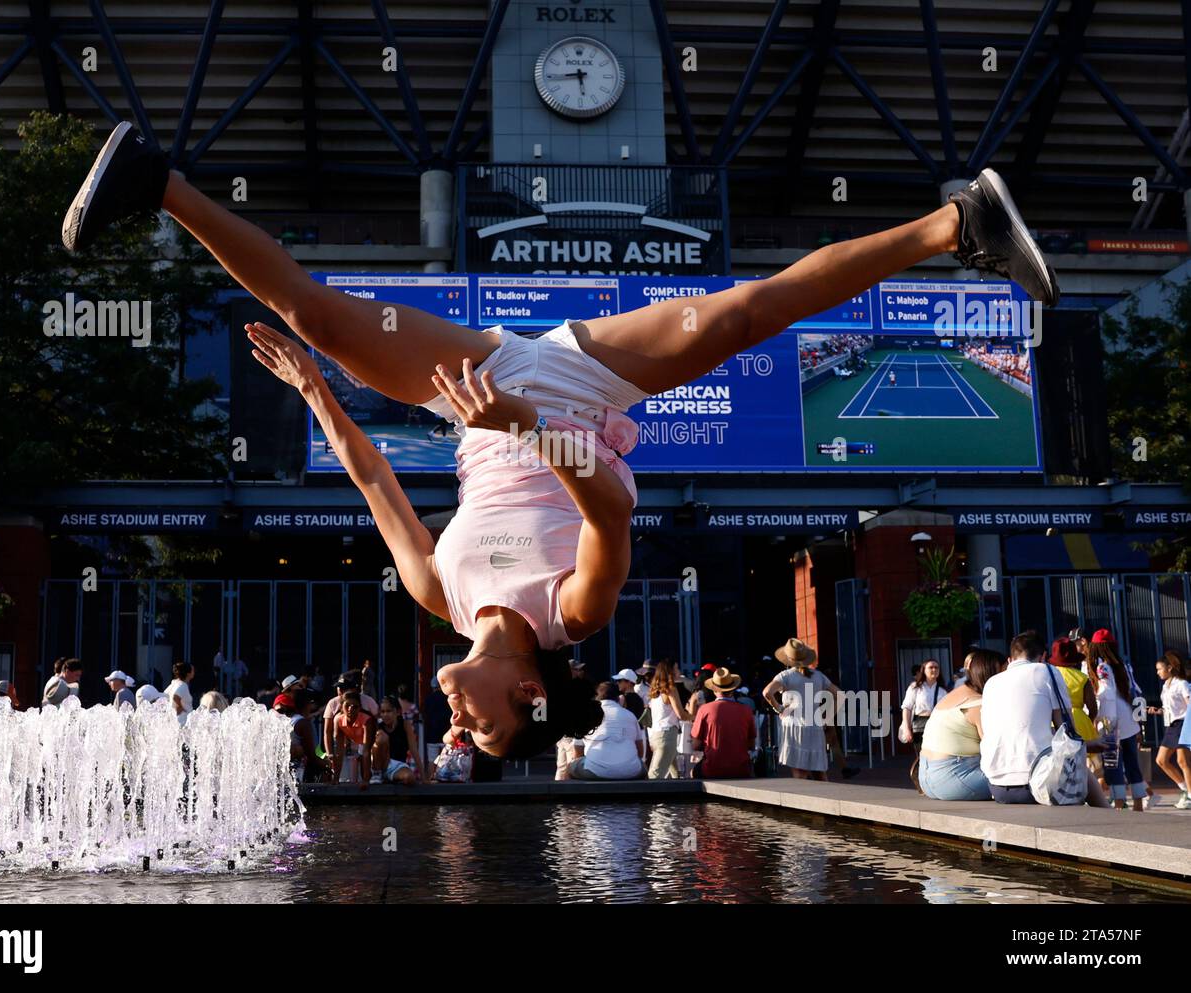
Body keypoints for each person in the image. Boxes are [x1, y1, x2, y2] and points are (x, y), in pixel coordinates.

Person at [62, 124, 1055, 761]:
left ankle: (157, 181)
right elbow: (612, 509)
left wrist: (318, 391)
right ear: (530, 691)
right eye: (483, 729)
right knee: (742, 316)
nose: (456, 729)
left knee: (317, 319)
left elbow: (373, 484)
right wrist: (529, 428)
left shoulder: (437, 596)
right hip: (570, 395)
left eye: (460, 736)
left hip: (476, 393)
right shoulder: (573, 612)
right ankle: (951, 225)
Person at [980, 630, 1105, 806]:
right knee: (1080, 767)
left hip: (996, 786)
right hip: (1036, 784)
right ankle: (1112, 819)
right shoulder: (1048, 671)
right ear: (1043, 656)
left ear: (1011, 658)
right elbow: (1067, 730)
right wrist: (1089, 744)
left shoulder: (992, 682)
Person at [917, 649, 1000, 801]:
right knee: (1017, 783)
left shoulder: (955, 693)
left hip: (925, 778)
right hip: (954, 779)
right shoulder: (978, 703)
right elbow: (993, 750)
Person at [762, 641, 841, 781]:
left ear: (789, 658)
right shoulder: (818, 676)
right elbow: (840, 695)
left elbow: (767, 692)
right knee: (819, 772)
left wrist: (778, 707)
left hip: (794, 727)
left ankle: (804, 800)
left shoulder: (785, 676)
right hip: (815, 727)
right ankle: (826, 799)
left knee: (800, 773)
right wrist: (827, 717)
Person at [1086, 634, 1146, 810]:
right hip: (1128, 718)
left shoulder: (1102, 667)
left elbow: (1107, 694)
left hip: (1111, 720)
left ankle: (1119, 803)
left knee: (1113, 764)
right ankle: (1138, 803)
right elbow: (1135, 691)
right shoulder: (1123, 665)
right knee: (1132, 763)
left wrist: (1106, 722)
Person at [565, 681, 644, 780]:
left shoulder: (587, 715)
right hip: (630, 771)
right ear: (619, 698)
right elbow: (640, 752)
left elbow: (577, 752)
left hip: (594, 771)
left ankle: (568, 794)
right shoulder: (630, 716)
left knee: (570, 767)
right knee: (642, 766)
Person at [692, 667, 756, 779]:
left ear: (714, 690)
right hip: (741, 769)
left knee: (693, 772)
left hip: (711, 768)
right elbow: (751, 745)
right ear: (733, 689)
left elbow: (695, 745)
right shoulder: (746, 710)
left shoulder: (704, 709)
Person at [1150, 650, 1190, 808]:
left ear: (1170, 668)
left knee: (1183, 761)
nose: (1158, 672)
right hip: (1172, 725)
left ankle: (1189, 795)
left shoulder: (1182, 684)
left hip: (1183, 724)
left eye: (1160, 669)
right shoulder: (1166, 686)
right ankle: (1185, 789)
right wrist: (1158, 711)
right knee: (1161, 760)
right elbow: (1170, 708)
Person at [900, 659, 947, 793]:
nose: (934, 670)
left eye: (936, 667)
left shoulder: (943, 691)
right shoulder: (915, 688)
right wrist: (907, 728)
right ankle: (922, 784)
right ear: (924, 670)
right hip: (919, 725)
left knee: (934, 755)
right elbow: (907, 708)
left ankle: (932, 785)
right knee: (921, 756)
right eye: (931, 667)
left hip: (936, 725)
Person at [647, 660, 688, 779]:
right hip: (667, 735)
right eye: (676, 668)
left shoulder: (656, 692)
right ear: (670, 672)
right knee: (655, 776)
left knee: (676, 774)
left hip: (657, 735)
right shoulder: (670, 689)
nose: (679, 671)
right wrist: (696, 716)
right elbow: (681, 715)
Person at [374, 695, 421, 785]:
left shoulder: (405, 725)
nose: (385, 715)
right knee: (382, 738)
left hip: (397, 766)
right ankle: (378, 774)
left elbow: (414, 750)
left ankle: (390, 778)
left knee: (409, 778)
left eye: (389, 711)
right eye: (383, 712)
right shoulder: (378, 726)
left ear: (398, 712)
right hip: (379, 765)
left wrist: (424, 778)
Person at [333, 691, 375, 787]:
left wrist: (365, 780)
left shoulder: (366, 720)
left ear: (359, 708)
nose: (350, 709)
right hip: (358, 743)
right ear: (341, 706)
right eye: (347, 706)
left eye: (354, 707)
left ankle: (371, 777)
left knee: (366, 758)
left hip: (372, 744)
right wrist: (335, 778)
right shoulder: (338, 720)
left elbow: (366, 750)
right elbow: (339, 750)